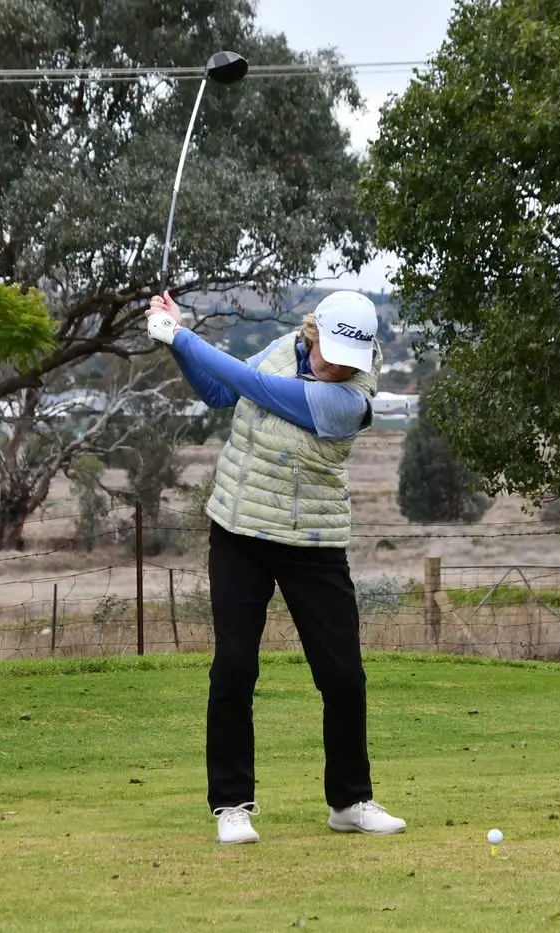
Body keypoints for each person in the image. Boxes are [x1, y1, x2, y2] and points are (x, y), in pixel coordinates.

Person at [146, 289, 408, 845]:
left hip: (313, 541)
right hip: (240, 531)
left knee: (342, 676)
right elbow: (220, 390)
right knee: (234, 669)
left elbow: (255, 389)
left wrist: (184, 336)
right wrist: (174, 343)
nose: (338, 366)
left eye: (349, 359)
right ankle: (232, 806)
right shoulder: (279, 349)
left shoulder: (350, 401)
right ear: (313, 334)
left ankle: (350, 801)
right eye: (331, 352)